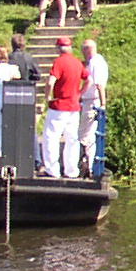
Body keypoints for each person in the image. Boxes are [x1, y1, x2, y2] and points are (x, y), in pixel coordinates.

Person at [41, 36, 86, 179]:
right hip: (74, 107)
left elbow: (50, 81)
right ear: (70, 47)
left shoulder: (59, 62)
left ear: (58, 48)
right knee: (72, 139)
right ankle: (72, 171)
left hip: (59, 106)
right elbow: (89, 79)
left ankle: (52, 170)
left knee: (51, 137)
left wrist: (47, 97)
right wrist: (80, 93)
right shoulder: (77, 62)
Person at [78, 37, 109, 177]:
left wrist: (103, 104)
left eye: (83, 50)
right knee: (89, 134)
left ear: (87, 50)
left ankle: (87, 166)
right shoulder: (97, 61)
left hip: (92, 102)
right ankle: (88, 165)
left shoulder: (96, 63)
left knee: (85, 134)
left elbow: (99, 84)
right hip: (91, 100)